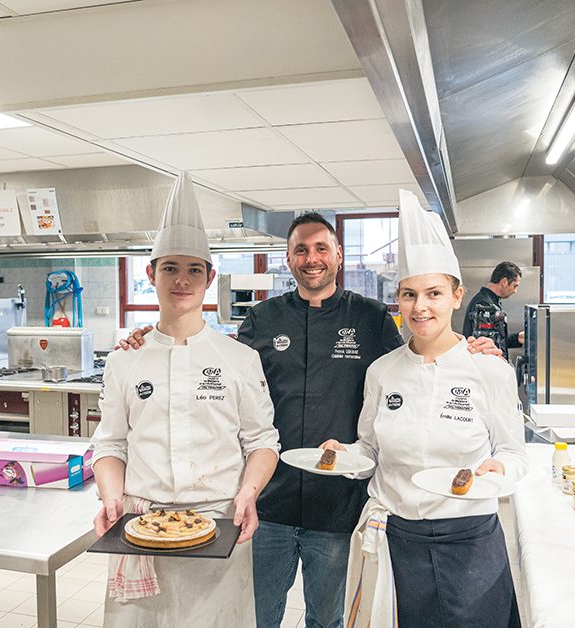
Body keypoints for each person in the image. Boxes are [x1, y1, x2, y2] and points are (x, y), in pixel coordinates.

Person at [119, 212, 501, 628]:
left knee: (327, 619)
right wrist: (149, 341)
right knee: (258, 616)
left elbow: (414, 363)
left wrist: (467, 350)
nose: (311, 258)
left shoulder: (371, 318)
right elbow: (210, 369)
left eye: (321, 248)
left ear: (338, 255)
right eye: (301, 249)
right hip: (268, 503)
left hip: (337, 508)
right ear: (288, 259)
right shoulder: (263, 320)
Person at [321, 190, 527, 628]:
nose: (420, 307)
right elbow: (369, 450)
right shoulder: (382, 371)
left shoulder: (488, 370)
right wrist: (345, 456)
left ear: (456, 296)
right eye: (409, 294)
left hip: (469, 537)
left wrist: (499, 471)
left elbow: (515, 455)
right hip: (396, 537)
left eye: (433, 293)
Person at [91, 173, 280, 627]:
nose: (182, 280)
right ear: (150, 273)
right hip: (139, 528)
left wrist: (249, 494)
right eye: (170, 268)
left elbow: (262, 442)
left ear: (210, 277)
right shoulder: (125, 361)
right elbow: (110, 445)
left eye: (194, 269)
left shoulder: (239, 358)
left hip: (219, 525)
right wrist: (112, 498)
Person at [461, 260, 524, 361]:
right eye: (515, 286)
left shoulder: (490, 301)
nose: (515, 291)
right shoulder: (484, 305)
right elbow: (484, 347)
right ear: (504, 282)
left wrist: (517, 338)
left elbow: (494, 341)